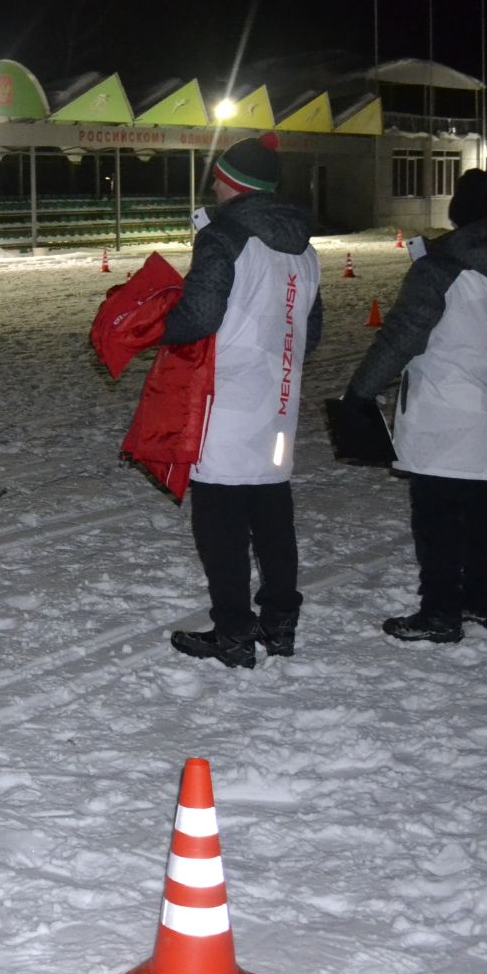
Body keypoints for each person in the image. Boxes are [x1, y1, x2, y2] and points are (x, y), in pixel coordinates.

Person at [340, 170, 487, 642]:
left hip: (445, 415)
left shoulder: (440, 270)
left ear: (459, 212)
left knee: (438, 519)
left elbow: (401, 336)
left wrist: (361, 392)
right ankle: (485, 599)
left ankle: (440, 611)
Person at [158, 133, 322, 668]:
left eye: (218, 176)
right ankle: (279, 621)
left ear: (231, 182)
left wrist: (164, 325)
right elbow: (310, 329)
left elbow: (199, 315)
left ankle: (232, 631)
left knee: (221, 517)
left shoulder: (224, 237)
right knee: (271, 510)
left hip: (224, 400)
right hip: (278, 400)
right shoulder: (305, 247)